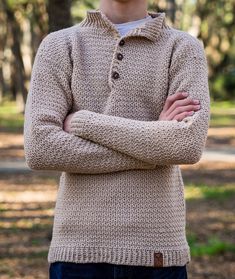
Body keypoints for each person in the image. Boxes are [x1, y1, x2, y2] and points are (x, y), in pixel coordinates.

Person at [23, 0, 210, 278]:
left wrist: (84, 123)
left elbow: (187, 144)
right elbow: (40, 148)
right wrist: (153, 144)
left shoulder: (183, 48)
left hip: (157, 250)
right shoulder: (59, 45)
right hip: (76, 251)